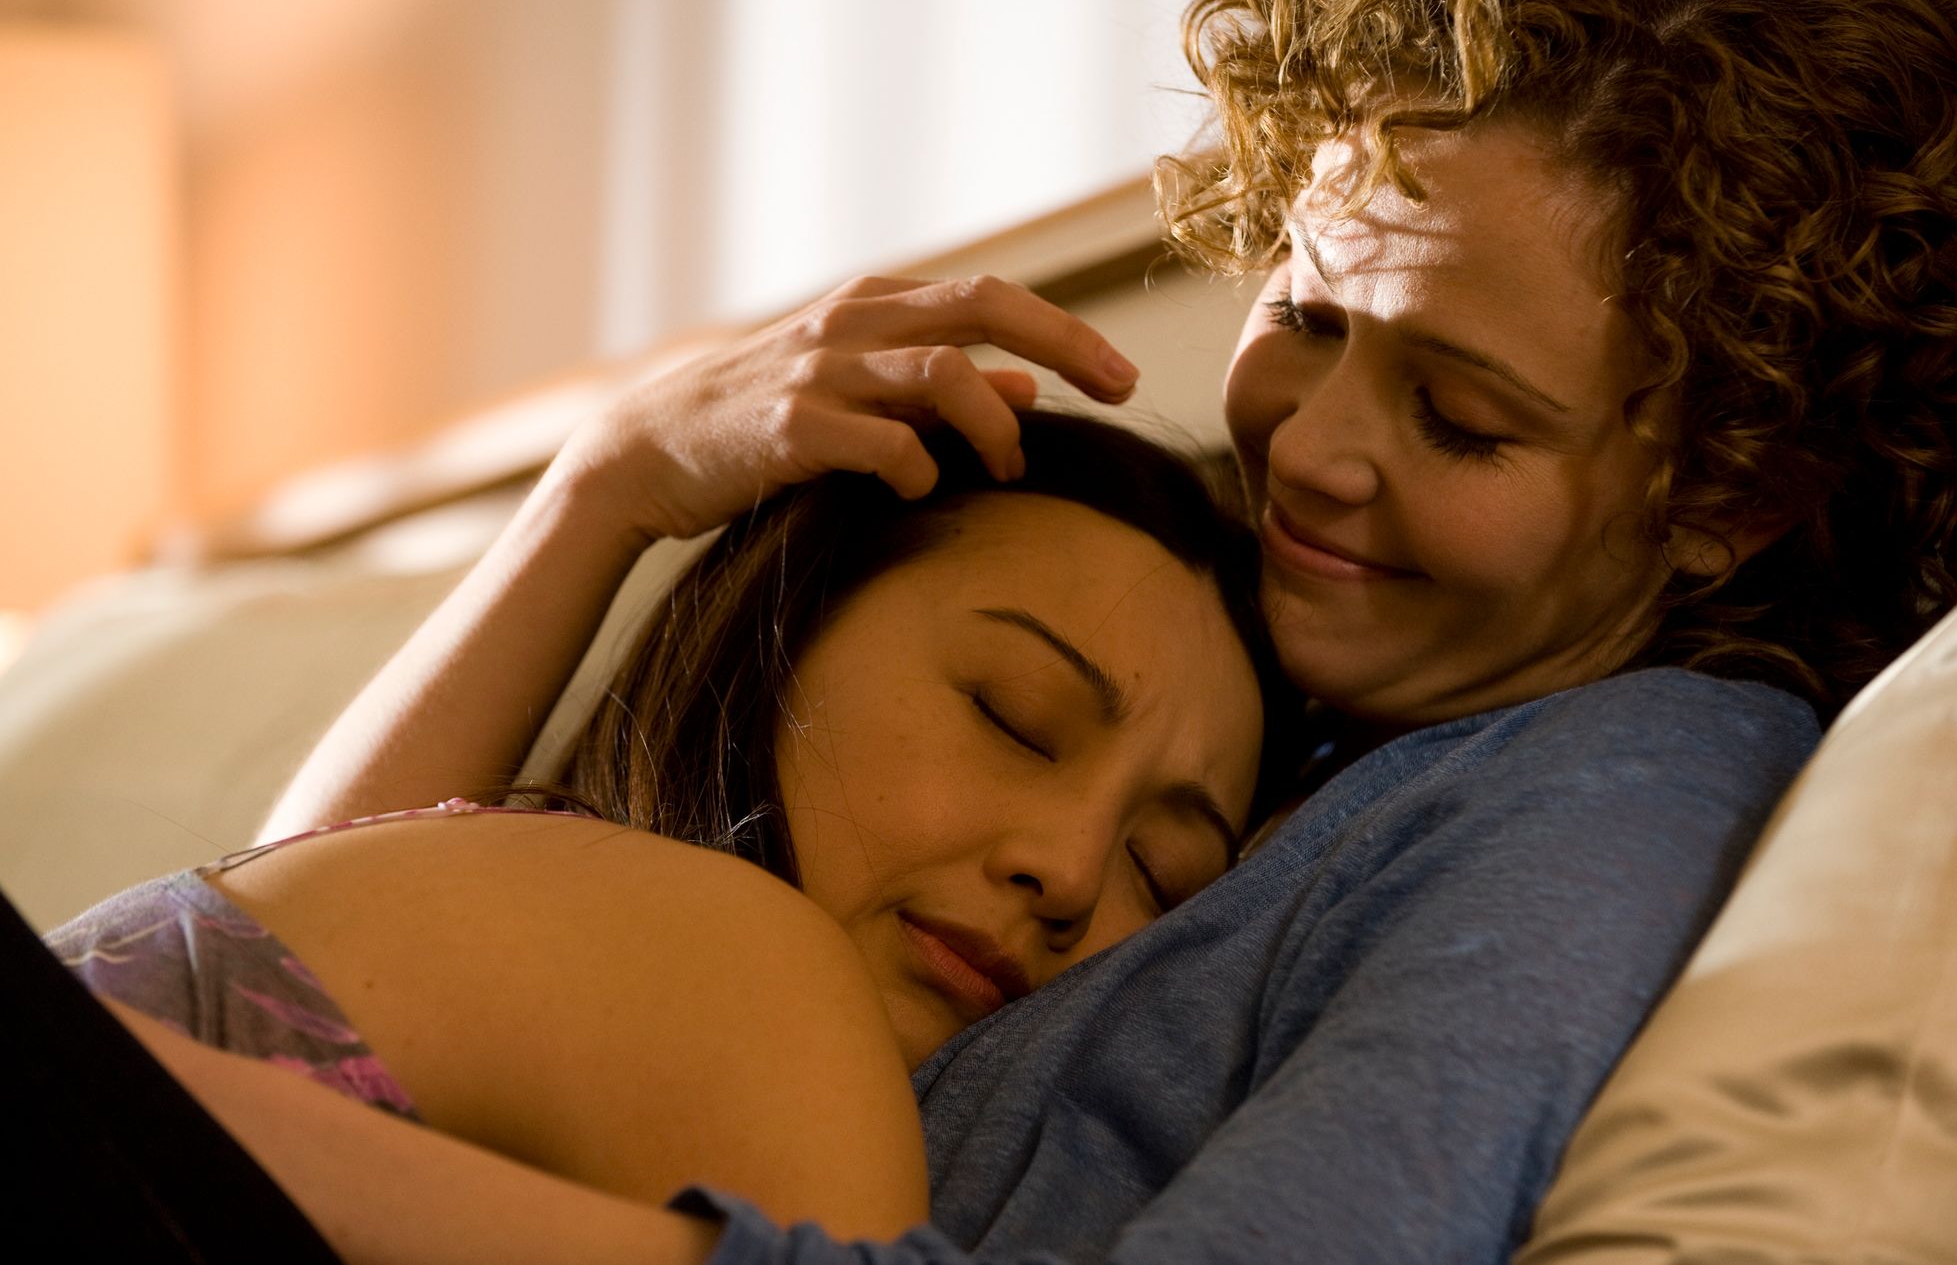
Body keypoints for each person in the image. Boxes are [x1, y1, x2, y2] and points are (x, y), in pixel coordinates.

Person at [41, 0, 1957, 1261]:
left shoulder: (1617, 782)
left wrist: (222, 1115)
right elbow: (302, 965)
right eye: (1305, 316)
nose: (1314, 446)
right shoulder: (1220, 605)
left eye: (1461, 418)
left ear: (1731, 489)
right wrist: (603, 491)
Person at [40, 412, 1289, 1246]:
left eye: (1160, 868)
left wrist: (598, 492)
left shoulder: (476, 911)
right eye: (1014, 718)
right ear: (785, 628)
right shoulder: (744, 961)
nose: (1067, 868)